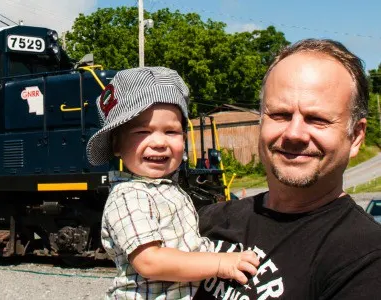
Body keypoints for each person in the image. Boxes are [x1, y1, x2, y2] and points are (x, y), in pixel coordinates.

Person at [195, 39, 381, 299]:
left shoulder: (365, 258)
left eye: (317, 119)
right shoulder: (209, 221)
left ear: (357, 136)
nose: (294, 133)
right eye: (280, 115)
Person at [86, 67, 260, 299]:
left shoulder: (166, 189)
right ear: (116, 145)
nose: (159, 142)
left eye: (171, 131)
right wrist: (219, 262)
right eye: (142, 131)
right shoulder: (129, 196)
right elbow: (149, 261)